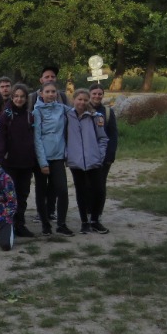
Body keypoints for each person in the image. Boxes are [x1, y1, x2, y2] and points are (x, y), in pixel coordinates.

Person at [0, 84, 37, 238]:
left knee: (23, 194)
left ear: (26, 98)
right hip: (10, 162)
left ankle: (20, 224)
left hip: (26, 162)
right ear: (12, 98)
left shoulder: (30, 115)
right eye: (16, 96)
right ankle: (8, 224)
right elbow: (0, 138)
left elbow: (34, 136)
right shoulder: (6, 115)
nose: (19, 99)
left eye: (22, 96)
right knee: (9, 196)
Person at [65, 89, 110, 234]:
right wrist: (67, 155)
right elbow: (63, 137)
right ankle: (84, 222)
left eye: (85, 100)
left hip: (93, 160)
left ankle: (95, 220)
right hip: (76, 161)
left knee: (98, 190)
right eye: (79, 99)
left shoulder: (96, 117)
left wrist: (100, 156)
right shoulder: (67, 116)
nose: (82, 102)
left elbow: (103, 138)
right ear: (73, 100)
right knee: (81, 191)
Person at [33, 81, 71, 236]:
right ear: (41, 93)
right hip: (42, 158)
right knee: (41, 192)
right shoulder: (36, 111)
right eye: (47, 91)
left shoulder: (61, 108)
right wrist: (43, 162)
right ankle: (45, 223)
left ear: (57, 93)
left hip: (58, 157)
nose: (50, 94)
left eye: (53, 91)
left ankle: (61, 224)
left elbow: (78, 111)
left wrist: (96, 114)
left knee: (62, 190)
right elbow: (37, 138)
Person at [89, 84, 118, 224]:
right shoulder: (82, 109)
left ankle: (97, 213)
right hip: (87, 154)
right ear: (89, 94)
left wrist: (110, 155)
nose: (97, 96)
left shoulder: (107, 112)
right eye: (94, 93)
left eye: (99, 94)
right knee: (86, 185)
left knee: (100, 185)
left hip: (103, 155)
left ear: (103, 95)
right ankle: (87, 211)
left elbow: (113, 135)